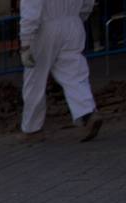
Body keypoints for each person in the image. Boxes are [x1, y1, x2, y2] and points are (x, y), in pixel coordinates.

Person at [19, 0, 102, 141]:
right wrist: (77, 18)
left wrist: (25, 41)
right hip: (72, 23)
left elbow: (31, 10)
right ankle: (87, 113)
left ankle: (32, 129)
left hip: (44, 28)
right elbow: (88, 3)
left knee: (35, 79)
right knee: (74, 73)